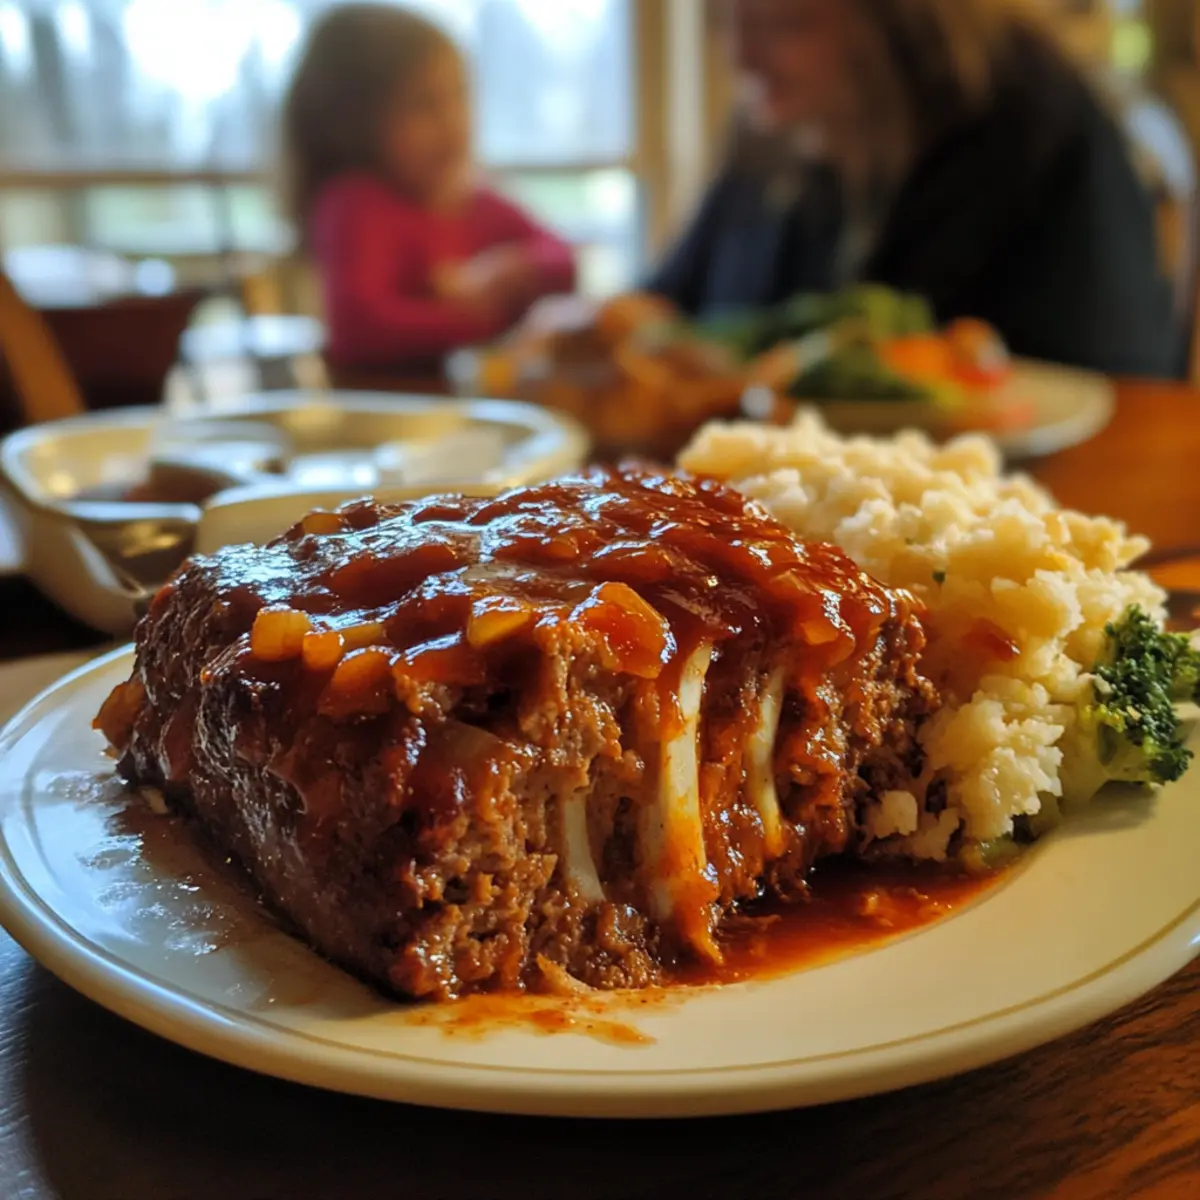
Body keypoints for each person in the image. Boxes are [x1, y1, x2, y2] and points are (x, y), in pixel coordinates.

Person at [648, 0, 1180, 378]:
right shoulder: (770, 128)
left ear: (899, 22)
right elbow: (666, 303)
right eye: (727, 20)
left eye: (788, 24)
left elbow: (1116, 385)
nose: (742, 58)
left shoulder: (1031, 123)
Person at [282, 4, 576, 372]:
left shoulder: (472, 201)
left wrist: (514, 269)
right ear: (354, 121)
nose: (452, 122)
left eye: (458, 95)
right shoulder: (353, 205)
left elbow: (564, 260)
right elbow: (358, 330)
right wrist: (485, 319)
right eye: (423, 105)